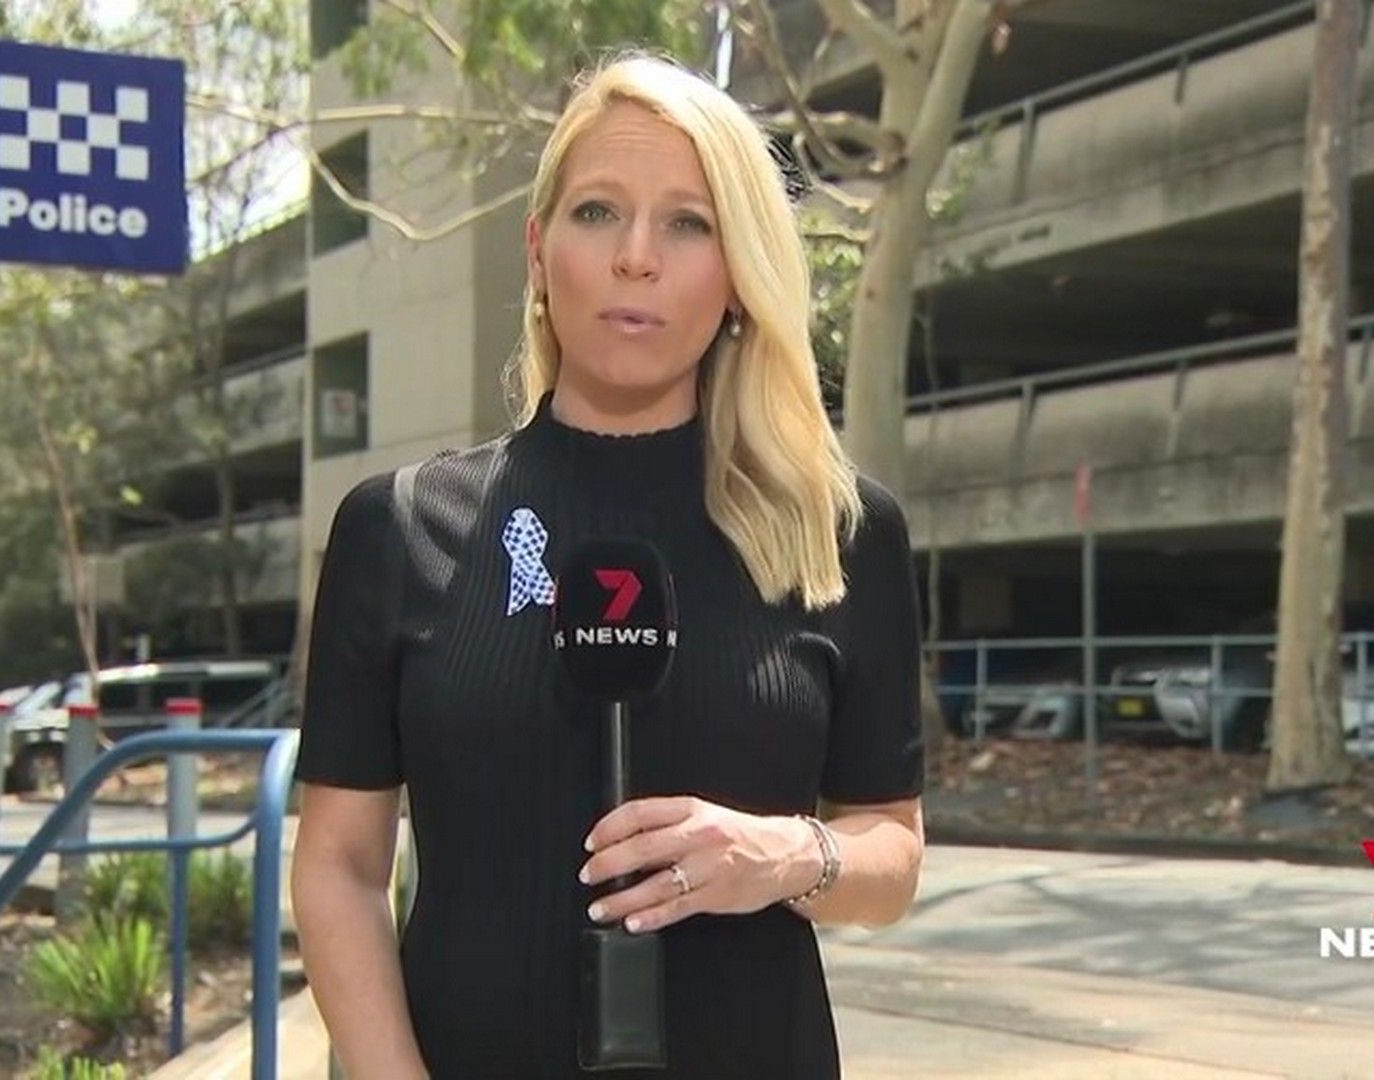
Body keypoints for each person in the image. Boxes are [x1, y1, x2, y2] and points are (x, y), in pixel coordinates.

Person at [291, 51, 925, 1079]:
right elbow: (339, 866)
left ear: (738, 273)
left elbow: (890, 855)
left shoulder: (840, 533)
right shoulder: (399, 529)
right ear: (538, 252)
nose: (637, 258)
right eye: (598, 213)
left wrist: (783, 856)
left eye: (689, 223)